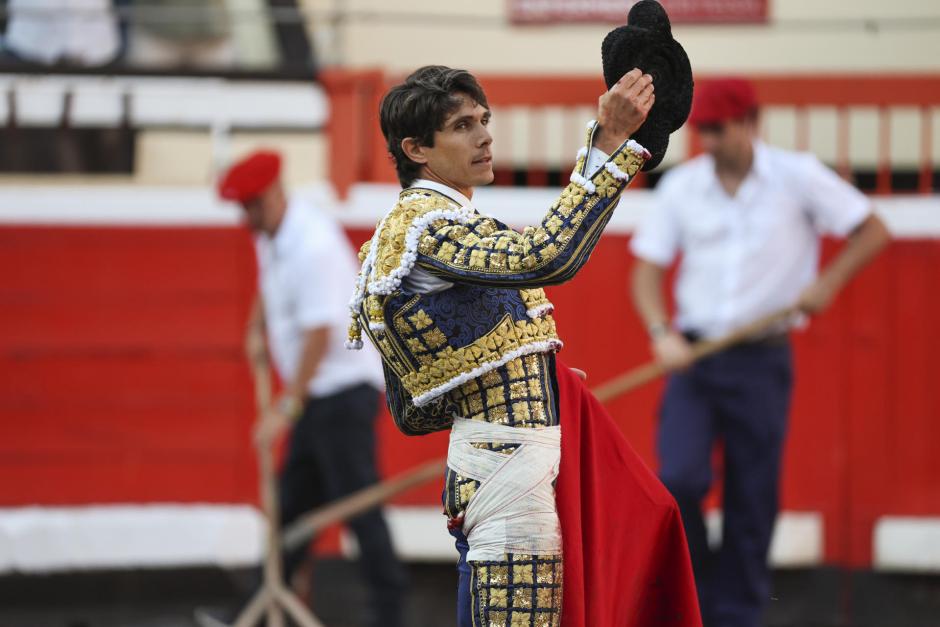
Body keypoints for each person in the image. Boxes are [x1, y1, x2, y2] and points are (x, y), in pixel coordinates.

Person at [347, 64, 702, 627]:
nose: (486, 136)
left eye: (484, 120)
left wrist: (531, 378)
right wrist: (610, 147)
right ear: (417, 148)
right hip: (511, 489)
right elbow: (546, 256)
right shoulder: (429, 226)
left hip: (494, 475)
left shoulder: (411, 233)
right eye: (463, 126)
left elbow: (413, 410)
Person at [629, 77, 891, 627]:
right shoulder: (682, 186)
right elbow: (646, 271)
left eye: (719, 129)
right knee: (678, 478)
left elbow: (871, 229)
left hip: (761, 357)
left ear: (751, 122)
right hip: (695, 357)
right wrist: (660, 333)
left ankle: (739, 614)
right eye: (702, 130)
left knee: (753, 493)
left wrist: (828, 284)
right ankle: (694, 600)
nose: (709, 141)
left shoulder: (797, 177)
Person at [207, 150, 407, 627]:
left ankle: (391, 614)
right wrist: (257, 326)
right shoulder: (273, 233)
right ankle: (256, 607)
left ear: (275, 195)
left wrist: (287, 405)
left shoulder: (312, 244)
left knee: (357, 509)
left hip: (340, 394)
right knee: (292, 506)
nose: (247, 218)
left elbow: (321, 331)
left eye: (252, 206)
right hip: (320, 397)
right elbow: (270, 284)